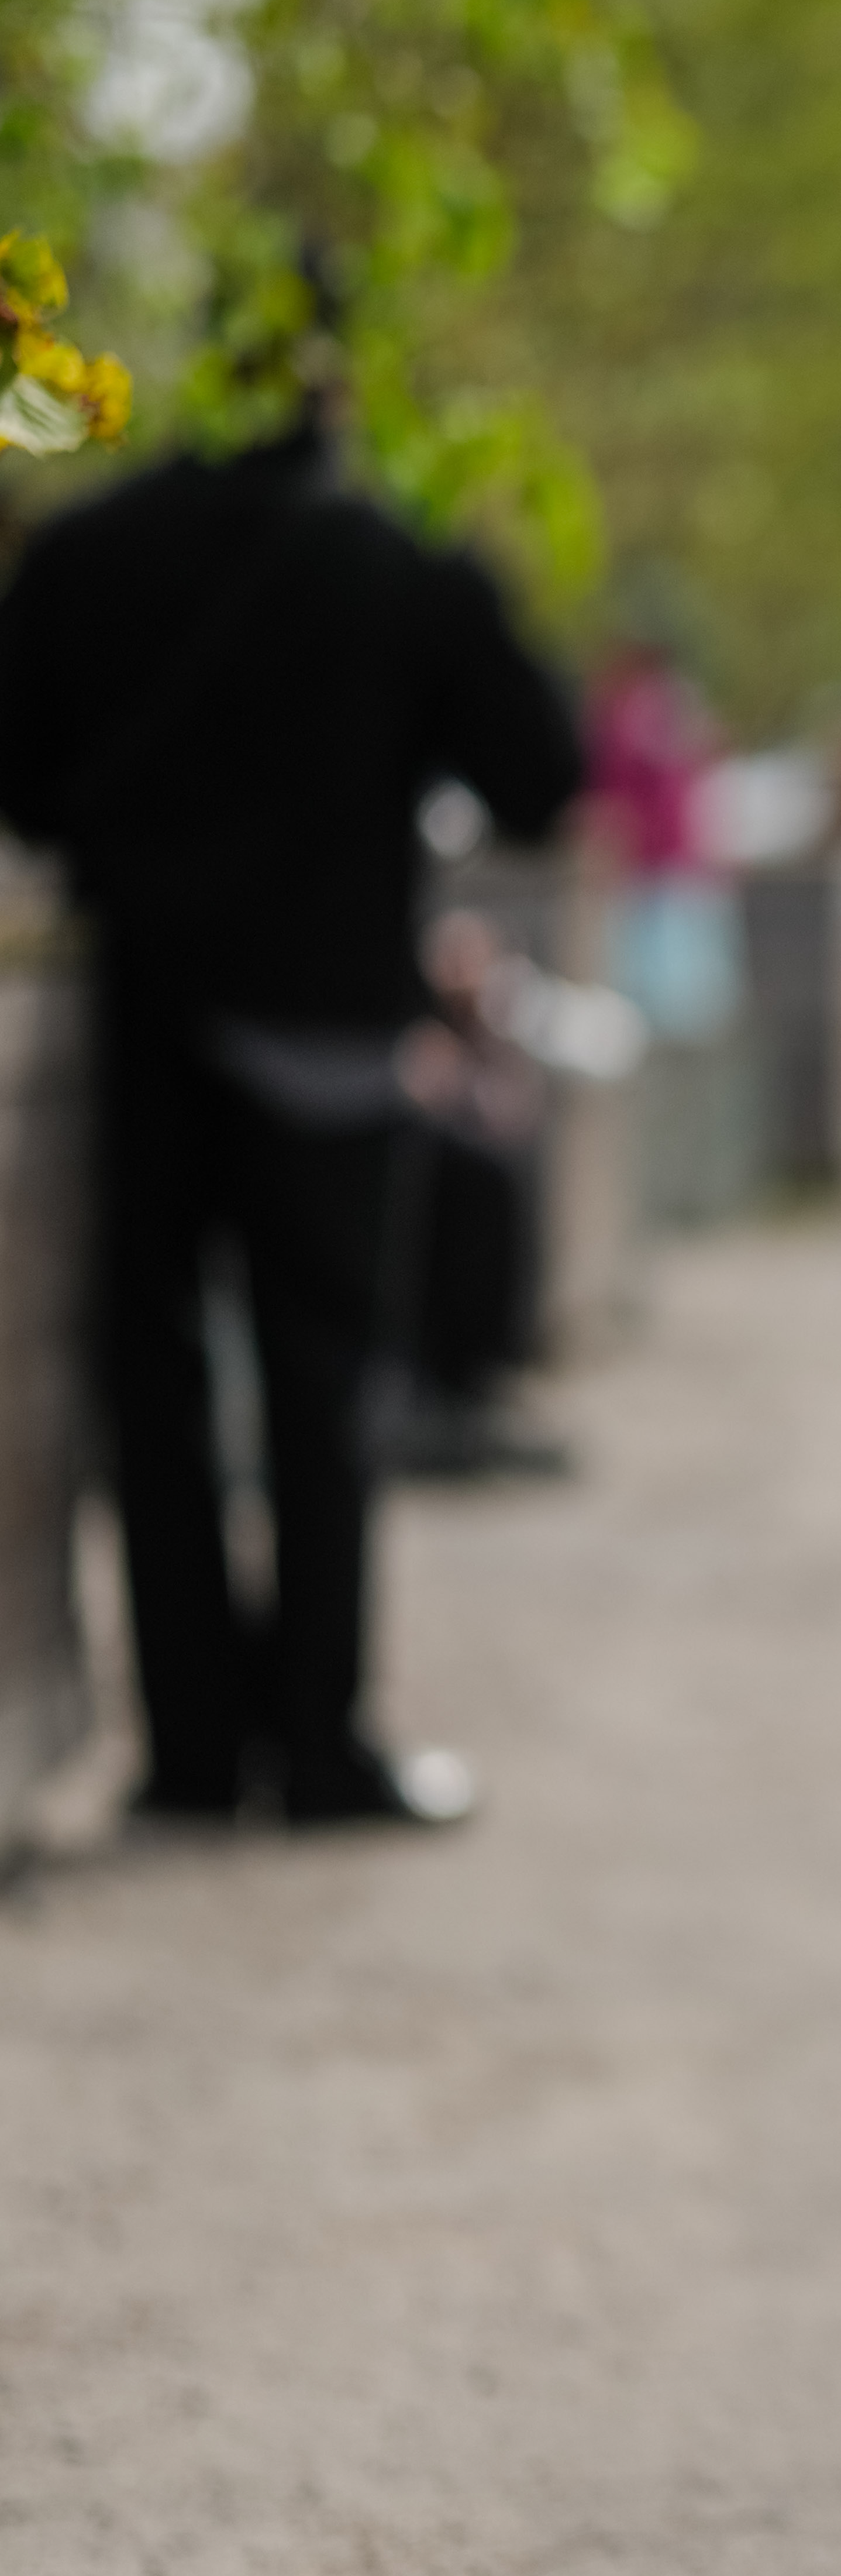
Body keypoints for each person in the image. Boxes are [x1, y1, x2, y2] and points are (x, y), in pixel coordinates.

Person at [0, 325, 582, 1825]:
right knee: (326, 1384)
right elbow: (539, 770)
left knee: (159, 1382)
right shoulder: (391, 561)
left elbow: (21, 774)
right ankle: (323, 1745)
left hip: (141, 1021)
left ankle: (191, 1754)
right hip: (324, 1038)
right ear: (336, 385)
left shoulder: (92, 556)